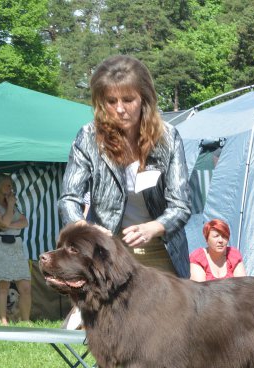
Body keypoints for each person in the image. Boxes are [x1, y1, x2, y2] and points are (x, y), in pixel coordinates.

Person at [59, 55, 191, 278]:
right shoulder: (88, 137)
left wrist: (154, 228)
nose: (120, 109)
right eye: (111, 101)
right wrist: (85, 228)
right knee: (84, 315)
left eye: (128, 100)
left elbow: (181, 205)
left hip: (161, 249)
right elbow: (69, 199)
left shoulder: (168, 137)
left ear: (144, 99)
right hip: (107, 251)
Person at [0, 174, 31, 324]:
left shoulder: (12, 204)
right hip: (0, 247)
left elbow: (24, 222)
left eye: (11, 185)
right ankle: (3, 322)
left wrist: (7, 224)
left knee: (26, 286)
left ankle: (25, 321)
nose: (11, 189)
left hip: (16, 247)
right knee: (3, 287)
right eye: (8, 185)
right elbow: (4, 222)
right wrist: (9, 208)